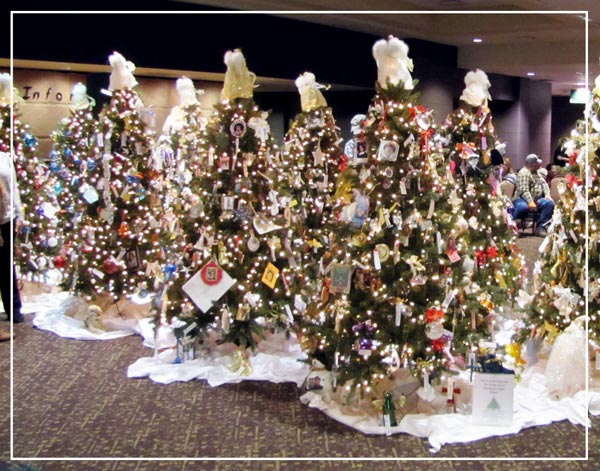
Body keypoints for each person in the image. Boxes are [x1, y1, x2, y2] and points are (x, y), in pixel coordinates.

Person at [0, 151, 24, 328]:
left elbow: (13, 187)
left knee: (6, 264)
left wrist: (19, 213)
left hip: (7, 219)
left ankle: (13, 308)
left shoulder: (4, 158)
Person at [512, 153, 554, 236]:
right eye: (538, 163)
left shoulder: (536, 172)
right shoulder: (524, 173)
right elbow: (524, 191)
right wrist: (530, 202)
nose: (540, 165)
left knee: (549, 204)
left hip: (535, 199)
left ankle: (540, 228)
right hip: (522, 199)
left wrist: (547, 195)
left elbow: (544, 184)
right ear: (533, 164)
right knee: (523, 207)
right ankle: (513, 226)